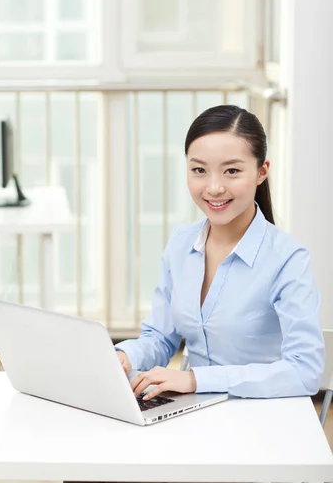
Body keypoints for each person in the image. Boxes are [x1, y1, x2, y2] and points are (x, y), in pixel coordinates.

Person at [115, 105, 325, 402]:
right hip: (196, 409)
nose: (214, 188)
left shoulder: (287, 259)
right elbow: (161, 338)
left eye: (232, 171)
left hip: (265, 413)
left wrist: (195, 379)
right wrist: (126, 355)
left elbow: (305, 372)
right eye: (199, 170)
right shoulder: (181, 243)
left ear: (261, 172)